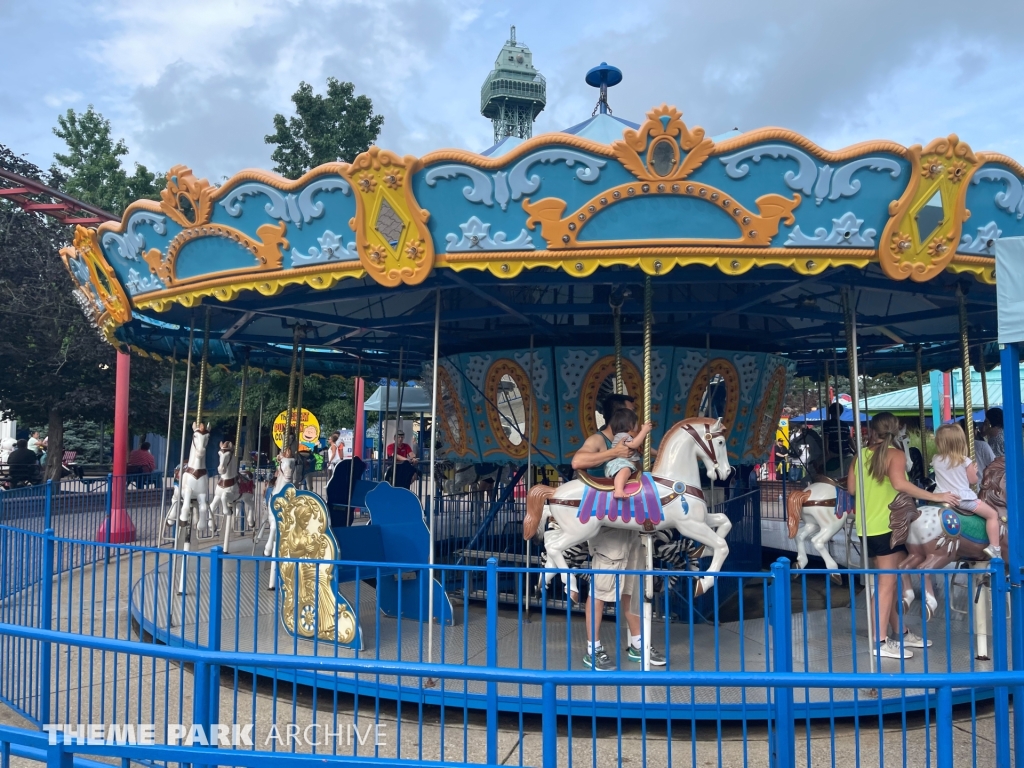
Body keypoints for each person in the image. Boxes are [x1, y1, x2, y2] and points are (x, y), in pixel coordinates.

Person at [847, 412, 958, 659]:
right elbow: (899, 484)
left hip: (867, 528)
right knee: (887, 584)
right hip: (889, 526)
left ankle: (902, 631)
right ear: (896, 430)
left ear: (873, 430)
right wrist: (936, 496)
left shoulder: (860, 455)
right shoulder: (894, 455)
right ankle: (880, 642)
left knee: (892, 582)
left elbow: (852, 488)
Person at [569, 393, 665, 669]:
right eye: (633, 415)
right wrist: (615, 453)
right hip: (610, 526)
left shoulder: (632, 440)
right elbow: (577, 462)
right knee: (601, 591)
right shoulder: (600, 440)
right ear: (620, 416)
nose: (636, 421)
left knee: (632, 590)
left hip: (633, 526)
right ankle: (593, 648)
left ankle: (638, 643)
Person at [933, 424, 1001, 559]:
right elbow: (973, 481)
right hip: (963, 500)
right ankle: (995, 547)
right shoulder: (964, 460)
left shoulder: (936, 459)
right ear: (959, 441)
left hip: (941, 499)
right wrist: (974, 471)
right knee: (993, 515)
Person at [605, 408, 653, 499]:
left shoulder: (628, 436)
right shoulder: (622, 435)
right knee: (625, 469)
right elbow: (634, 444)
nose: (637, 425)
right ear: (630, 424)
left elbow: (644, 449)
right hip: (618, 464)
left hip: (623, 464)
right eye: (636, 422)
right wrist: (644, 431)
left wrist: (659, 453)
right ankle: (618, 490)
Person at [824, 403, 854, 474]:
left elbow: (826, 438)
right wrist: (855, 450)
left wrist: (826, 452)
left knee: (817, 464)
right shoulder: (845, 425)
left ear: (830, 412)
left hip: (834, 451)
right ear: (840, 413)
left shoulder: (827, 424)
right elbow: (849, 439)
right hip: (846, 451)